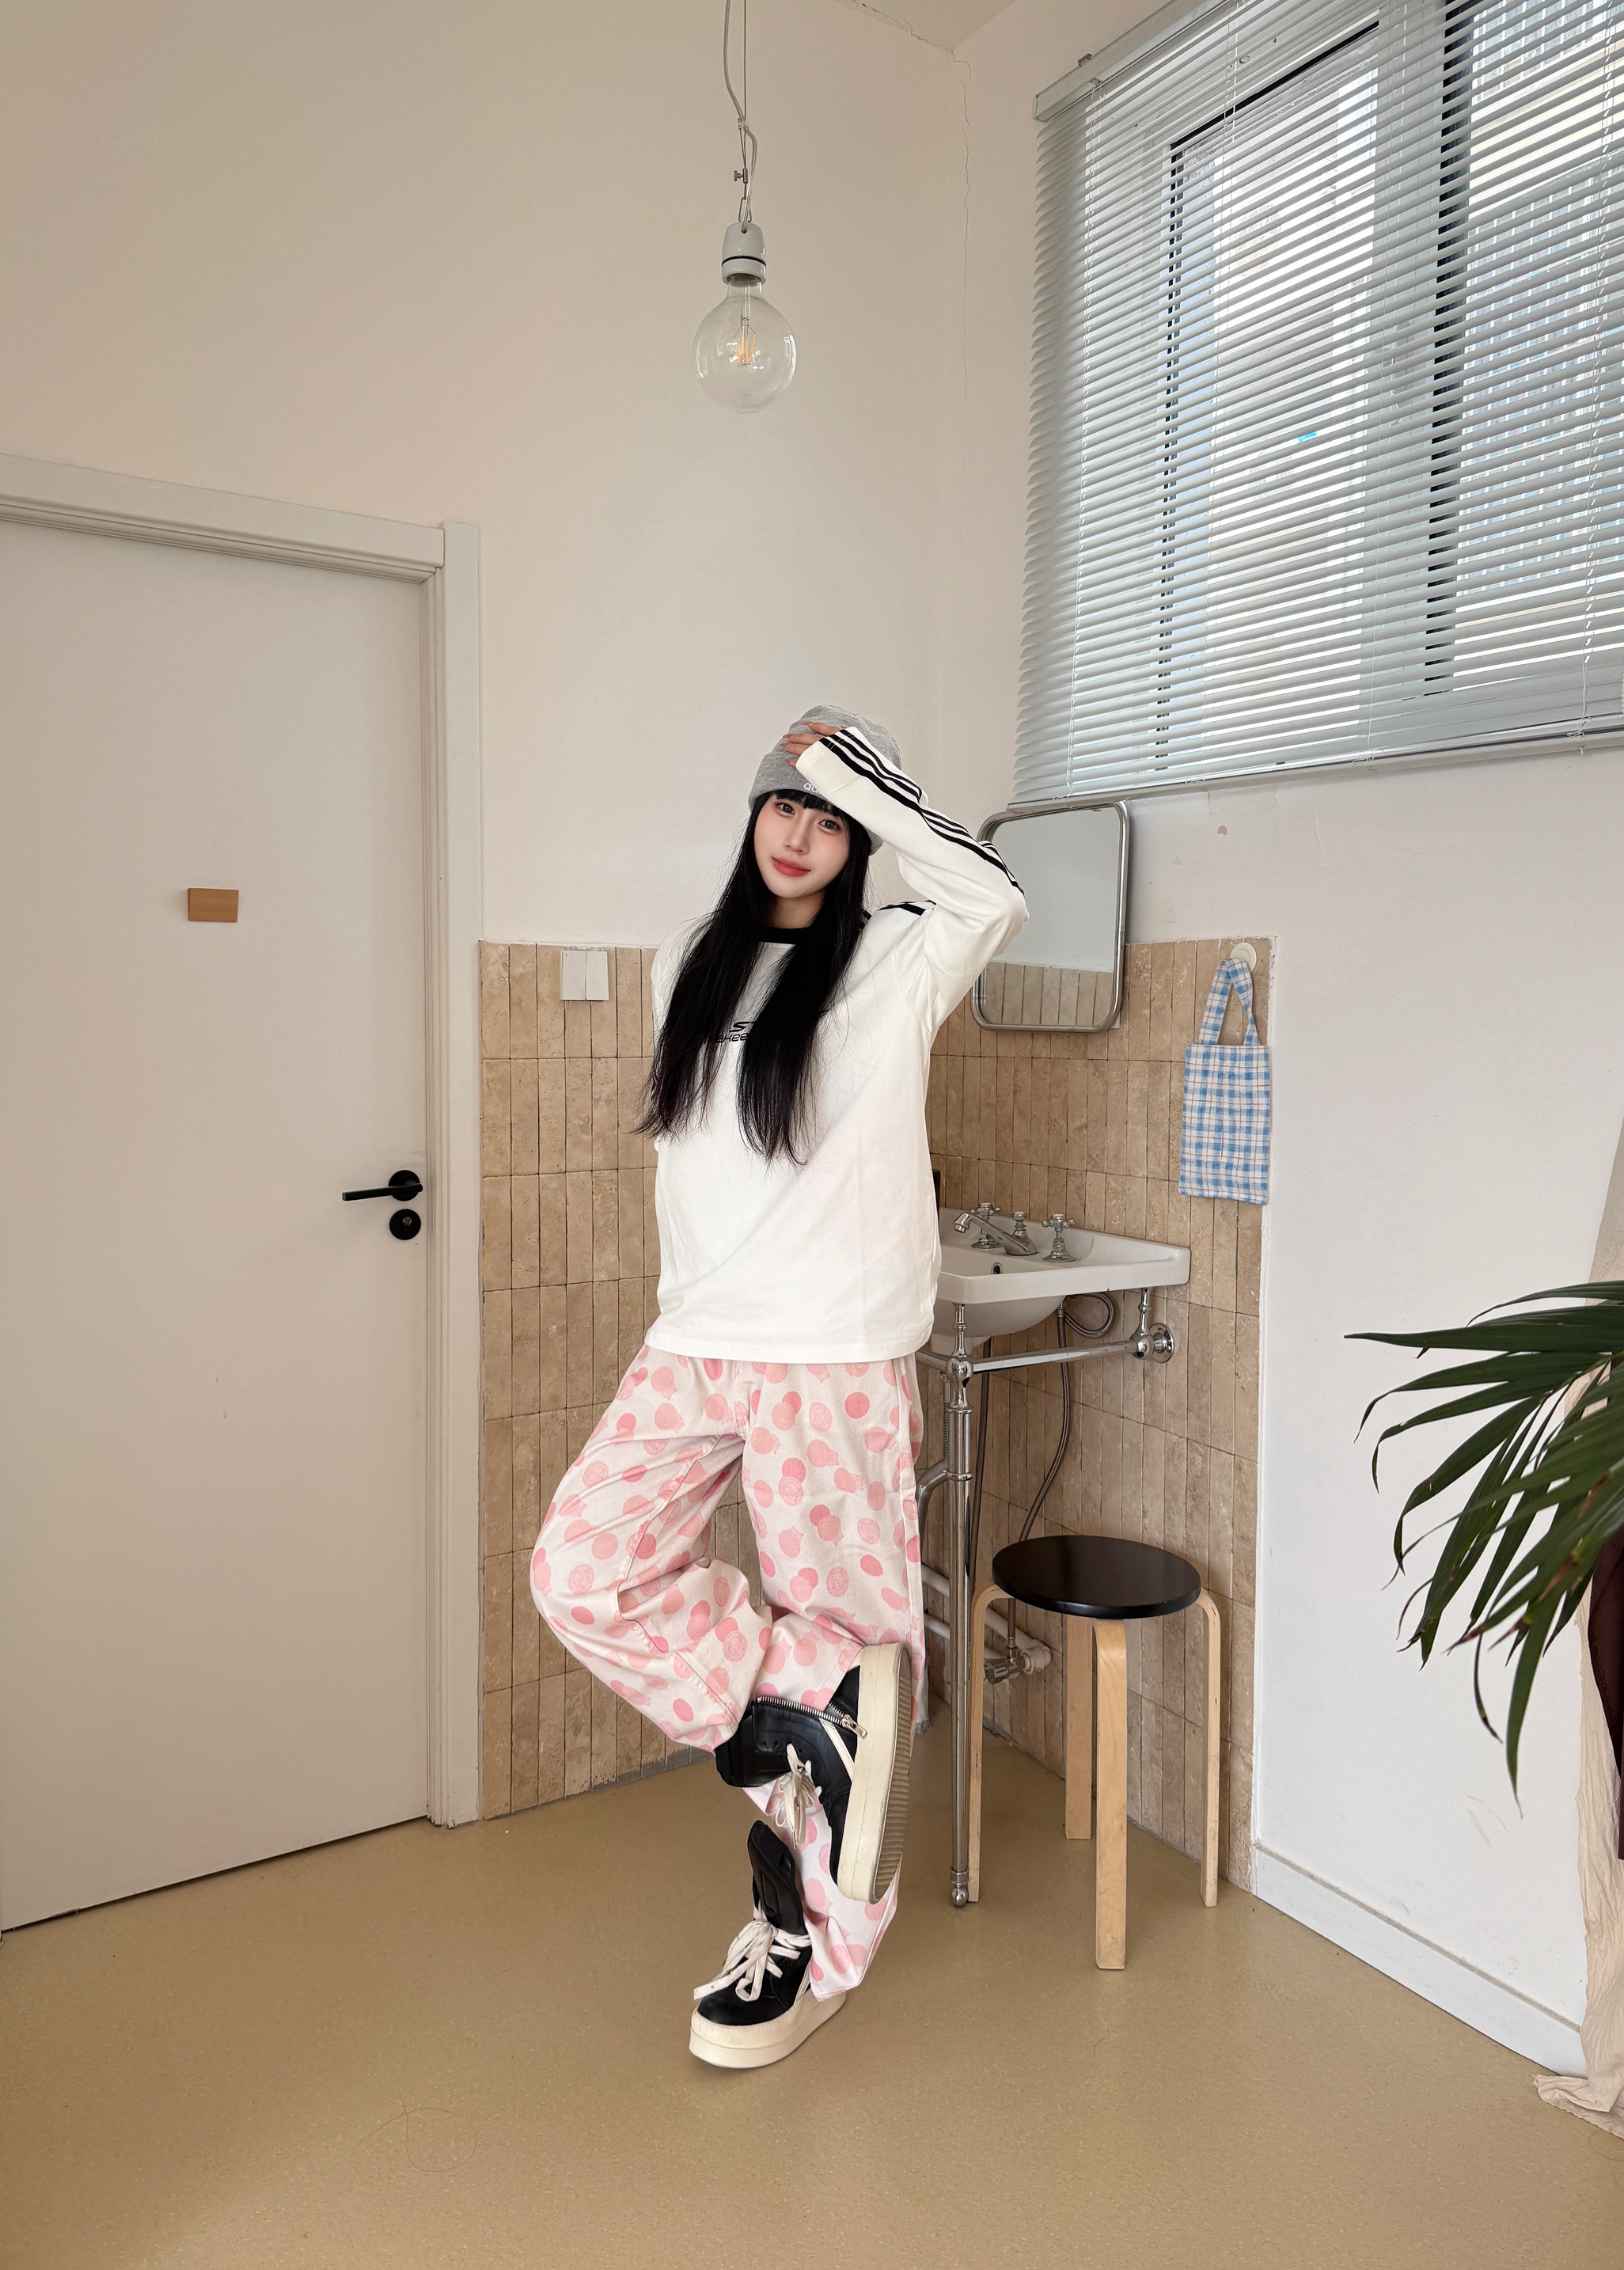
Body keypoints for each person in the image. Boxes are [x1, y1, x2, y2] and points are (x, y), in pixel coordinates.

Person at [531, 705, 1025, 2068]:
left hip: (832, 1351)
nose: (800, 833)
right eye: (782, 804)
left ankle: (816, 1943)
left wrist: (854, 771)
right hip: (696, 1340)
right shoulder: (686, 961)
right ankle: (816, 1697)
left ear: (861, 837)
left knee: (857, 1630)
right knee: (581, 1568)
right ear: (749, 818)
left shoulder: (900, 956)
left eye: (828, 819)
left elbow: (992, 891)